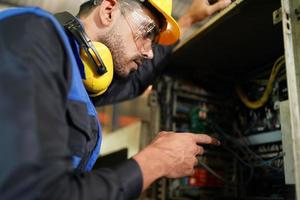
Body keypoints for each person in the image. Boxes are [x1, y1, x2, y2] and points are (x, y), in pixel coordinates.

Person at [0, 0, 231, 199]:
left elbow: (135, 81)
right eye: (148, 31)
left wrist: (189, 18)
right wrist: (155, 160)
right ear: (109, 10)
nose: (150, 52)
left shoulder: (80, 77)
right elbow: (31, 193)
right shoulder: (31, 34)